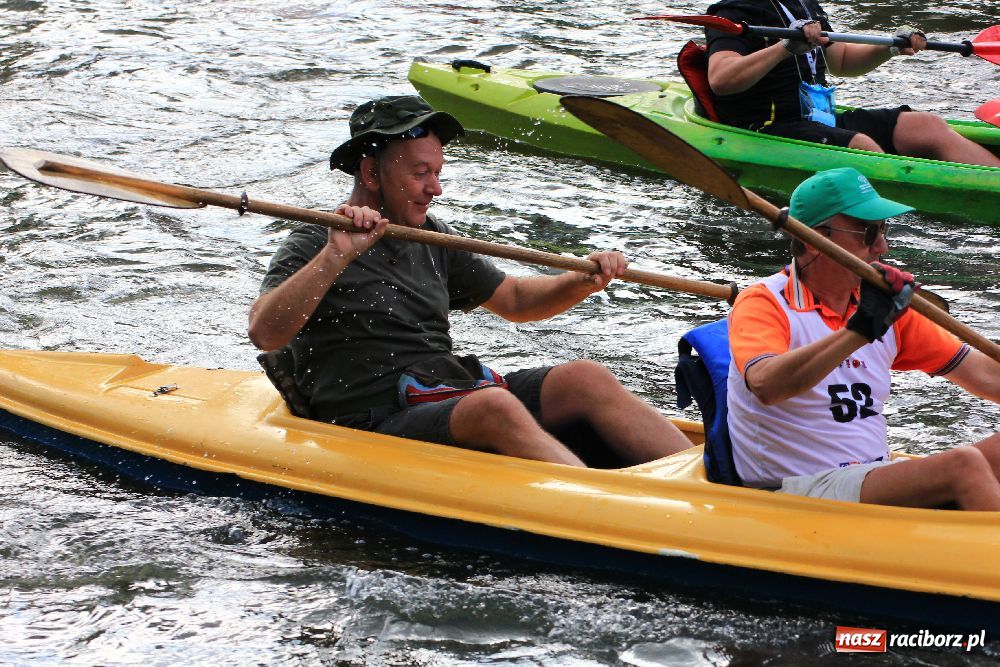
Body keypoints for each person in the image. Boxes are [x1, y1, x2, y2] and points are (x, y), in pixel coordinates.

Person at [248, 95, 692, 467]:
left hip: (435, 392)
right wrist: (335, 256)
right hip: (369, 421)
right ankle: (597, 502)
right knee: (492, 406)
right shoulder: (315, 240)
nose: (435, 188)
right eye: (420, 173)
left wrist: (581, 280)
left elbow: (515, 300)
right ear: (370, 173)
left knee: (584, 377)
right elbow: (264, 333)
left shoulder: (432, 236)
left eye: (437, 173)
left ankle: (704, 480)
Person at [726, 167, 1000, 510]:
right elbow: (767, 385)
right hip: (794, 487)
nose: (882, 246)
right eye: (868, 232)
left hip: (867, 476)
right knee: (964, 465)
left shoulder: (880, 305)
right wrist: (860, 331)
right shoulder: (763, 303)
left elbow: (988, 375)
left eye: (884, 230)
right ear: (815, 239)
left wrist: (868, 321)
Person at [704, 0, 1000, 167]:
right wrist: (784, 49)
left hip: (818, 119)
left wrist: (891, 47)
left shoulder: (805, 5)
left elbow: (842, 61)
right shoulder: (735, 10)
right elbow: (721, 79)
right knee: (861, 146)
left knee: (926, 125)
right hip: (766, 127)